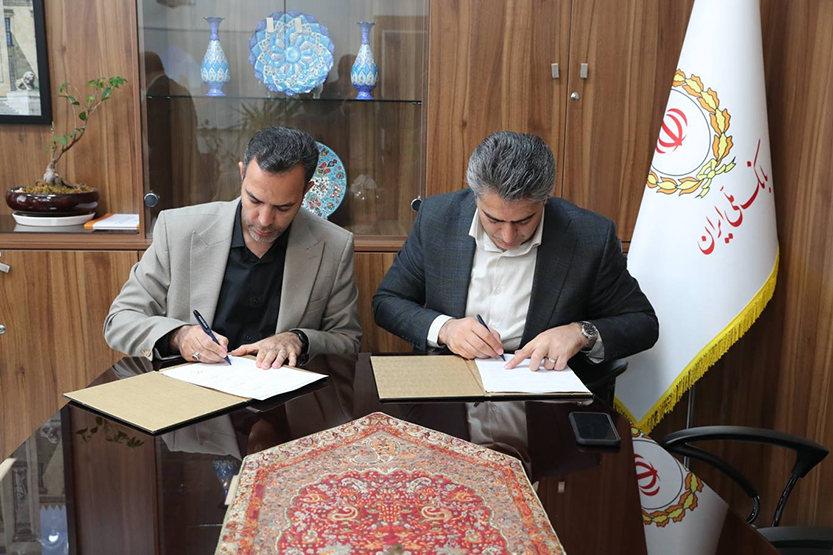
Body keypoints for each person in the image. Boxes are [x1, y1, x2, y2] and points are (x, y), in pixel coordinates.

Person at [373, 131, 658, 373]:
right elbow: (387, 302)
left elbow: (642, 323)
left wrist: (580, 333)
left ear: (545, 200)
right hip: (448, 379)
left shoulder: (589, 236)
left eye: (524, 221)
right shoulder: (437, 219)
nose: (508, 236)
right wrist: (446, 329)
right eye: (493, 219)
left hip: (543, 390)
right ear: (475, 197)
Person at [105, 126, 361, 368]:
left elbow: (347, 341)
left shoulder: (333, 246)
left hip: (285, 394)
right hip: (191, 390)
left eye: (283, 207)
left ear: (306, 191)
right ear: (241, 174)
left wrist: (299, 339)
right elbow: (120, 321)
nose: (264, 220)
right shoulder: (178, 230)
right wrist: (179, 336)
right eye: (254, 200)